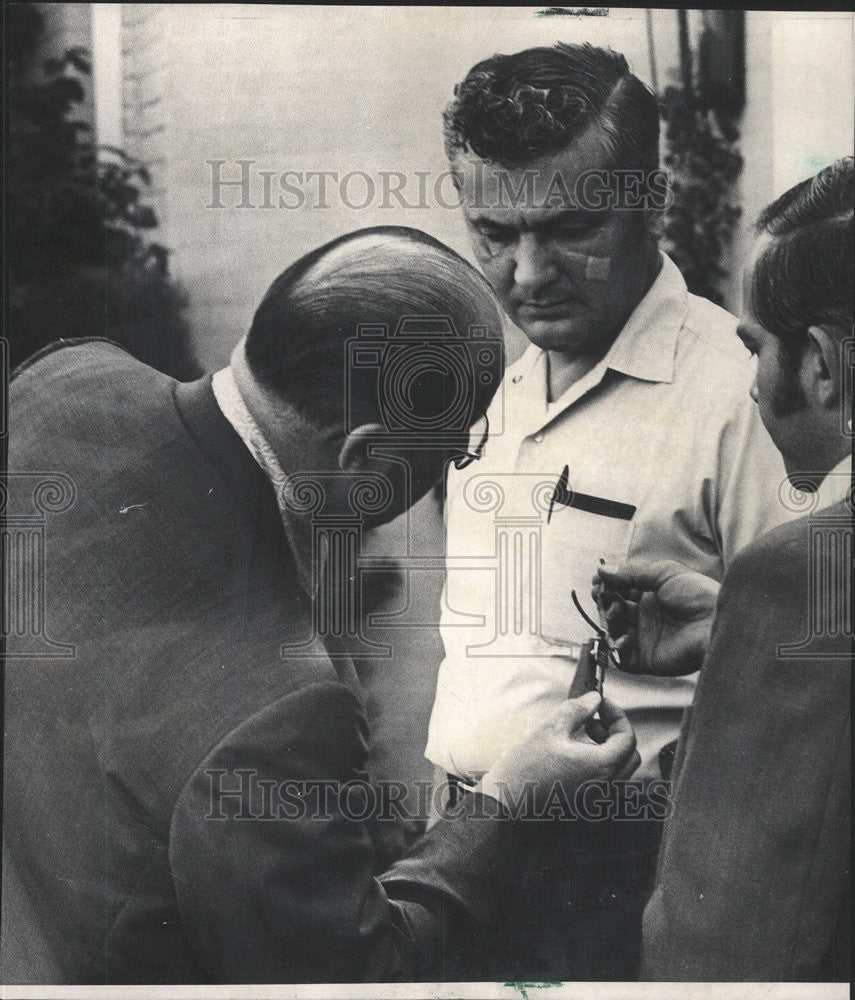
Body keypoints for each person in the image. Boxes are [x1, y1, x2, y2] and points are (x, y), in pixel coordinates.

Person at [0, 226, 640, 984]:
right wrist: (506, 802)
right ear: (366, 458)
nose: (449, 473)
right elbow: (360, 973)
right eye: (449, 452)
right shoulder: (280, 716)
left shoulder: (67, 382)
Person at [424, 42, 793, 979]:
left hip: (627, 875)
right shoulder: (497, 387)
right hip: (465, 843)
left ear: (649, 200)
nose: (529, 273)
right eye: (494, 233)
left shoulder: (736, 399)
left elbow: (809, 681)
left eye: (570, 226)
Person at [597, 157, 852, 981]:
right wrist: (733, 635)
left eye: (756, 350)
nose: (750, 388)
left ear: (820, 363)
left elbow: (721, 934)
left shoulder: (799, 575)